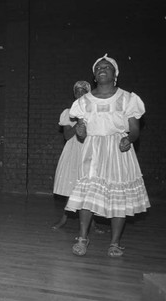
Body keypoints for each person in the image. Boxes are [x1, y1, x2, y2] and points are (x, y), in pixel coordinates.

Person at [65, 54, 150, 257]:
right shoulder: (84, 102)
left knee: (118, 197)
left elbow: (135, 130)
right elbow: (82, 132)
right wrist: (80, 130)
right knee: (87, 196)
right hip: (93, 150)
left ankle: (114, 242)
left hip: (118, 149)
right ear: (94, 76)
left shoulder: (128, 98)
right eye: (98, 68)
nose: (102, 69)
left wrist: (129, 139)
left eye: (107, 67)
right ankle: (83, 238)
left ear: (115, 74)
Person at [51, 81, 93, 229]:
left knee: (90, 187)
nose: (80, 94)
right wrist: (80, 121)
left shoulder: (94, 112)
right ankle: (64, 218)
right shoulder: (68, 113)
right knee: (72, 185)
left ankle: (90, 223)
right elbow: (68, 136)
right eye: (77, 92)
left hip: (88, 150)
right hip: (73, 150)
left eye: (83, 91)